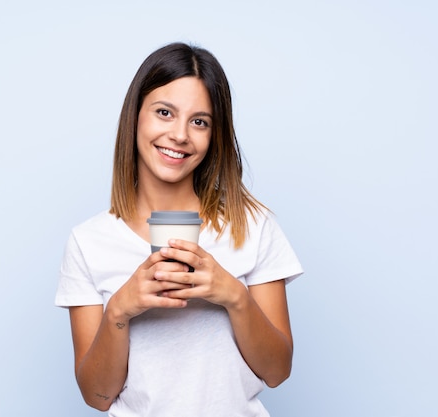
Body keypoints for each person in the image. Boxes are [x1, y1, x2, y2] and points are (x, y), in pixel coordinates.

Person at [55, 42, 303, 416]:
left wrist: (232, 294)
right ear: (135, 116)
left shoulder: (252, 225)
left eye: (199, 121)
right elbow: (97, 397)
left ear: (213, 135)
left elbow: (277, 372)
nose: (180, 135)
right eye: (165, 112)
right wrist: (120, 309)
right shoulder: (89, 242)